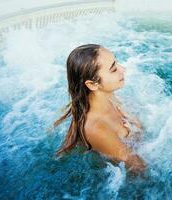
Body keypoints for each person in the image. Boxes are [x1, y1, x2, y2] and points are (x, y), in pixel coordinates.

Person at [53, 44, 146, 175]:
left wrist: (137, 128)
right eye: (113, 69)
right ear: (92, 84)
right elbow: (137, 167)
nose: (123, 69)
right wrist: (137, 131)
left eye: (116, 63)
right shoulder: (96, 129)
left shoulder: (109, 96)